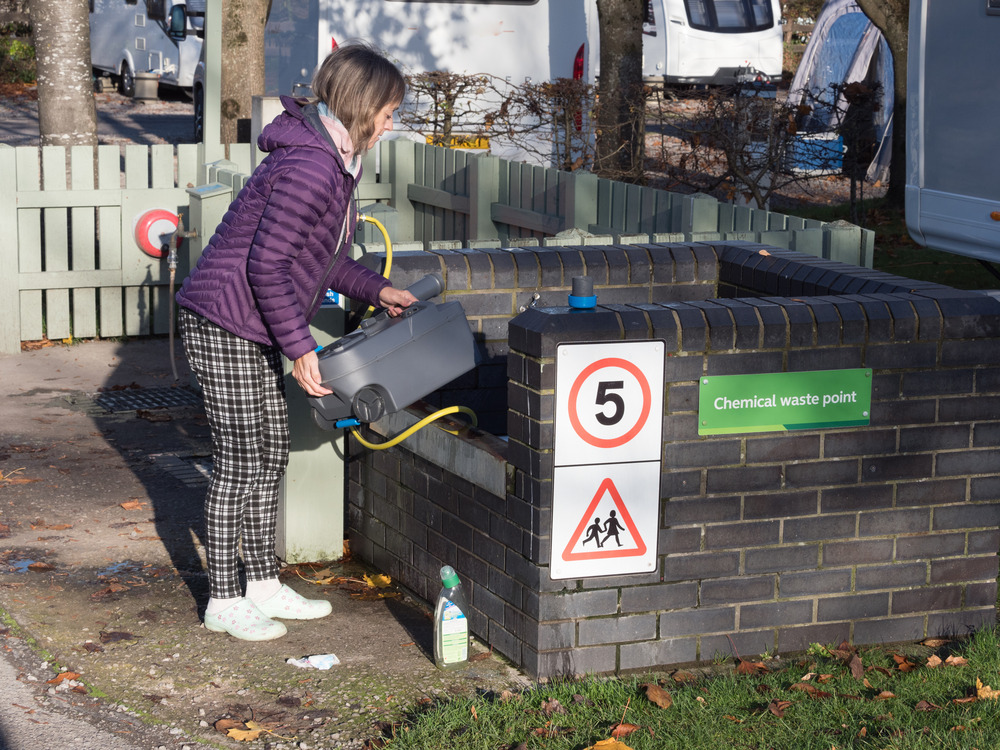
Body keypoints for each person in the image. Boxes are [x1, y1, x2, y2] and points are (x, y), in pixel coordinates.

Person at [175, 41, 416, 641]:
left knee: (271, 450)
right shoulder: (312, 167)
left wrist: (379, 289)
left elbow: (322, 260)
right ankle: (223, 598)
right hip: (223, 320)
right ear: (361, 106)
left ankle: (261, 583)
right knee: (240, 460)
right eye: (388, 112)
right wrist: (301, 348)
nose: (391, 125)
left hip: (252, 321)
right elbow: (267, 266)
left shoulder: (334, 159)